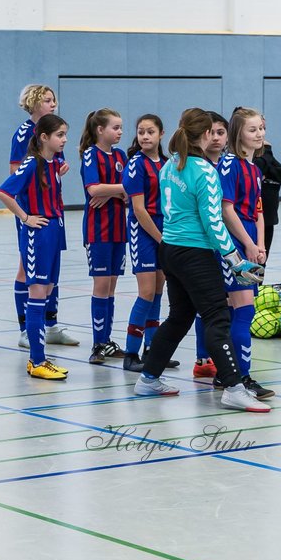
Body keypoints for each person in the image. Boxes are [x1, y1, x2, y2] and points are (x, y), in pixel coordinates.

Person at [134, 108, 271, 414]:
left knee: (180, 316)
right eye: (213, 131)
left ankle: (148, 377)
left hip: (170, 251)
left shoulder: (170, 166)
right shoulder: (205, 171)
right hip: (194, 254)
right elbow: (213, 223)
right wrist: (235, 259)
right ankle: (234, 387)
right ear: (206, 135)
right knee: (217, 317)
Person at [0, 114, 70, 381]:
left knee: (47, 291)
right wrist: (25, 217)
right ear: (43, 137)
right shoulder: (31, 164)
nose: (64, 140)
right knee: (37, 295)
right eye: (60, 135)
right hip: (38, 234)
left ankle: (38, 359)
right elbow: (3, 192)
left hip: (55, 231)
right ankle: (37, 360)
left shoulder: (54, 164)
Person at [10, 85, 78, 348]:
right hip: (31, 212)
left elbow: (52, 170)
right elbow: (16, 173)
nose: (53, 104)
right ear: (34, 102)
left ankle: (50, 324)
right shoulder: (25, 134)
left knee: (51, 270)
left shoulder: (54, 132)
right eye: (48, 100)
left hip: (53, 212)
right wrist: (25, 215)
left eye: (54, 100)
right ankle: (26, 328)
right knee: (26, 270)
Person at [215, 108, 273, 400]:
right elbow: (226, 209)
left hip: (249, 241)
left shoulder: (256, 168)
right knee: (243, 308)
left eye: (261, 128)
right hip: (233, 244)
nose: (260, 134)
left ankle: (225, 371)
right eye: (253, 130)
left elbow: (258, 210)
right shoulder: (229, 164)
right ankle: (241, 377)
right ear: (238, 134)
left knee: (236, 307)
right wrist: (246, 244)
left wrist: (260, 243)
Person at [79, 108, 128, 364]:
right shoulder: (91, 155)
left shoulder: (120, 155)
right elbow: (93, 189)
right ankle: (98, 344)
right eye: (115, 127)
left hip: (120, 229)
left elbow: (132, 190)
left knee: (111, 287)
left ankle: (107, 341)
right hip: (98, 230)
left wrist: (113, 192)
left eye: (121, 127)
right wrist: (118, 189)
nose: (120, 132)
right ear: (100, 130)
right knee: (101, 285)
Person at [121, 114, 167, 373]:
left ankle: (153, 350)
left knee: (159, 292)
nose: (145, 137)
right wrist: (161, 240)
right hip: (144, 232)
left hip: (164, 229)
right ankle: (130, 352)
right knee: (146, 292)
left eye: (150, 132)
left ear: (161, 134)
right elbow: (138, 209)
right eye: (141, 132)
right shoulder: (135, 164)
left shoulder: (168, 164)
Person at [191, 113, 229, 378]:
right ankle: (203, 358)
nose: (216, 138)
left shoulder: (230, 165)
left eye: (221, 132)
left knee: (230, 303)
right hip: (204, 245)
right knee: (204, 305)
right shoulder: (197, 166)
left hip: (227, 242)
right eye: (212, 132)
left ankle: (226, 354)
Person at [254, 142, 281, 254]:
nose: (260, 134)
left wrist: (267, 170)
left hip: (268, 217)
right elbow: (258, 167)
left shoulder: (266, 157)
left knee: (262, 260)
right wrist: (267, 150)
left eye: (262, 129)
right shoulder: (264, 155)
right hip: (252, 217)